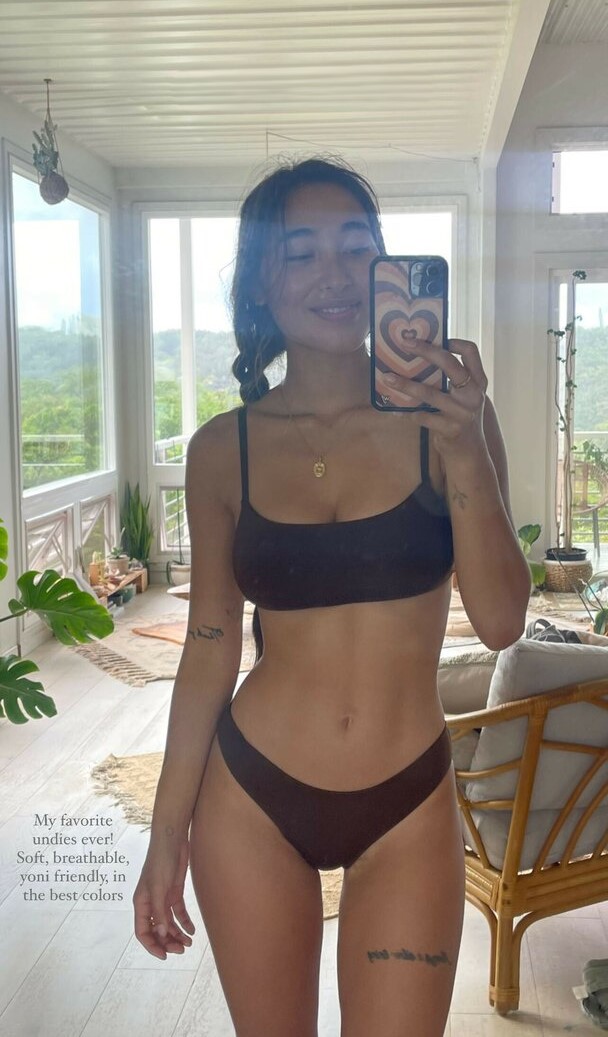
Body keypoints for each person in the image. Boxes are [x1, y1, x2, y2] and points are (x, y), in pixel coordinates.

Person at [133, 156, 530, 1035]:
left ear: (388, 268)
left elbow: (502, 621)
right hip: (250, 797)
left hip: (408, 799)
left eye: (356, 247)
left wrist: (465, 447)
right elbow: (208, 648)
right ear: (261, 281)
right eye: (301, 252)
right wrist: (165, 834)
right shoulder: (222, 450)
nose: (336, 273)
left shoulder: (451, 421)